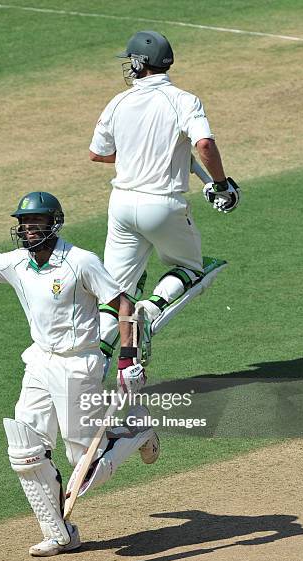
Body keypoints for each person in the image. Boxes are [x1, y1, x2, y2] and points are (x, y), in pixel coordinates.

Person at [0, 189, 159, 557]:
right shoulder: (17, 262)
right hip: (39, 361)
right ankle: (60, 533)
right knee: (25, 450)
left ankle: (137, 431)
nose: (28, 230)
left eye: (36, 222)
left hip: (79, 364)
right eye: (24, 224)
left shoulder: (80, 261)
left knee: (86, 466)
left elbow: (123, 305)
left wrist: (127, 359)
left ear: (54, 223)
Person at [90, 31, 241, 366]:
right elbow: (203, 145)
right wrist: (220, 184)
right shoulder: (183, 100)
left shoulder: (119, 101)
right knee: (191, 267)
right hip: (163, 205)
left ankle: (89, 367)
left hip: (122, 206)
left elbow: (98, 154)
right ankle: (150, 312)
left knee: (116, 293)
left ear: (139, 63)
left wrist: (140, 153)